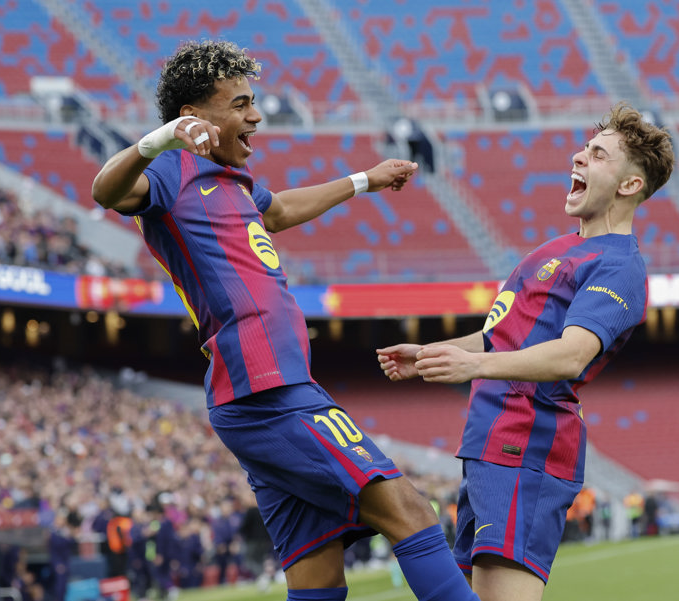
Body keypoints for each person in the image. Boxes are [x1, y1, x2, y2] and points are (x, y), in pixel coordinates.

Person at [91, 40, 479, 601]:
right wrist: (162, 139)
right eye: (241, 104)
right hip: (264, 390)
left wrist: (365, 180)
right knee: (409, 510)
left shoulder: (233, 179)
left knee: (316, 574)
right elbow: (106, 190)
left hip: (273, 387)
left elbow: (279, 211)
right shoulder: (171, 171)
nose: (256, 115)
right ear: (194, 116)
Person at [377, 103, 674, 601]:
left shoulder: (619, 267)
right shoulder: (552, 250)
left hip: (526, 443)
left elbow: (571, 355)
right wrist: (431, 353)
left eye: (598, 154)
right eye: (585, 148)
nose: (578, 157)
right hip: (488, 443)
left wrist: (473, 366)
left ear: (629, 185)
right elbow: (500, 335)